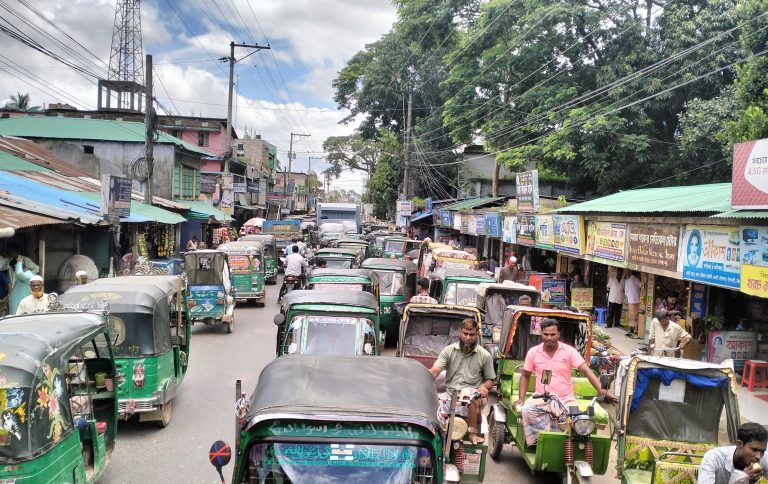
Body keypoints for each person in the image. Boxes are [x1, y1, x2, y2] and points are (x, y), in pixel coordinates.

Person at [512, 318, 618, 446]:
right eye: (546, 334)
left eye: (553, 334)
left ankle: (565, 443)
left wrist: (601, 391)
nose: (549, 337)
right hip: (542, 398)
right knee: (526, 410)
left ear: (558, 334)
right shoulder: (533, 352)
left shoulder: (569, 351)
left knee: (578, 418)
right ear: (541, 334)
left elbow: (587, 371)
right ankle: (539, 442)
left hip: (566, 399)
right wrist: (521, 398)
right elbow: (525, 376)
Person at [429, 318, 495, 445]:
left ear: (477, 334)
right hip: (451, 394)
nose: (468, 338)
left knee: (468, 393)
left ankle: (472, 433)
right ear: (460, 332)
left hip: (476, 395)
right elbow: (434, 372)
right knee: (434, 412)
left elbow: (491, 380)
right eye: (465, 333)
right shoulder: (448, 351)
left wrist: (483, 387)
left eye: (472, 335)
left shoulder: (485, 355)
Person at [699, 422, 767, 484]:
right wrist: (741, 481)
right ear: (739, 444)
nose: (758, 456)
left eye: (762, 451)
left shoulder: (763, 459)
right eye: (754, 450)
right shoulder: (713, 459)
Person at [623, 270, 641, 337]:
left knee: (631, 315)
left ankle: (631, 329)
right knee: (636, 315)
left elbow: (625, 292)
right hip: (637, 300)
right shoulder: (636, 280)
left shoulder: (627, 281)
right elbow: (642, 286)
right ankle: (635, 329)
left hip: (630, 300)